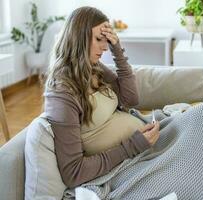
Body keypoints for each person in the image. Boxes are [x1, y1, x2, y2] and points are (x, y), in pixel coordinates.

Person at [44, 6, 160, 188]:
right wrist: (134, 145)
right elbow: (73, 173)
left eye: (106, 40)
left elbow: (130, 99)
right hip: (127, 164)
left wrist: (118, 52)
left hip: (143, 147)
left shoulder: (94, 67)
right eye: (99, 39)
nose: (105, 47)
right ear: (78, 37)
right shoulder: (62, 93)